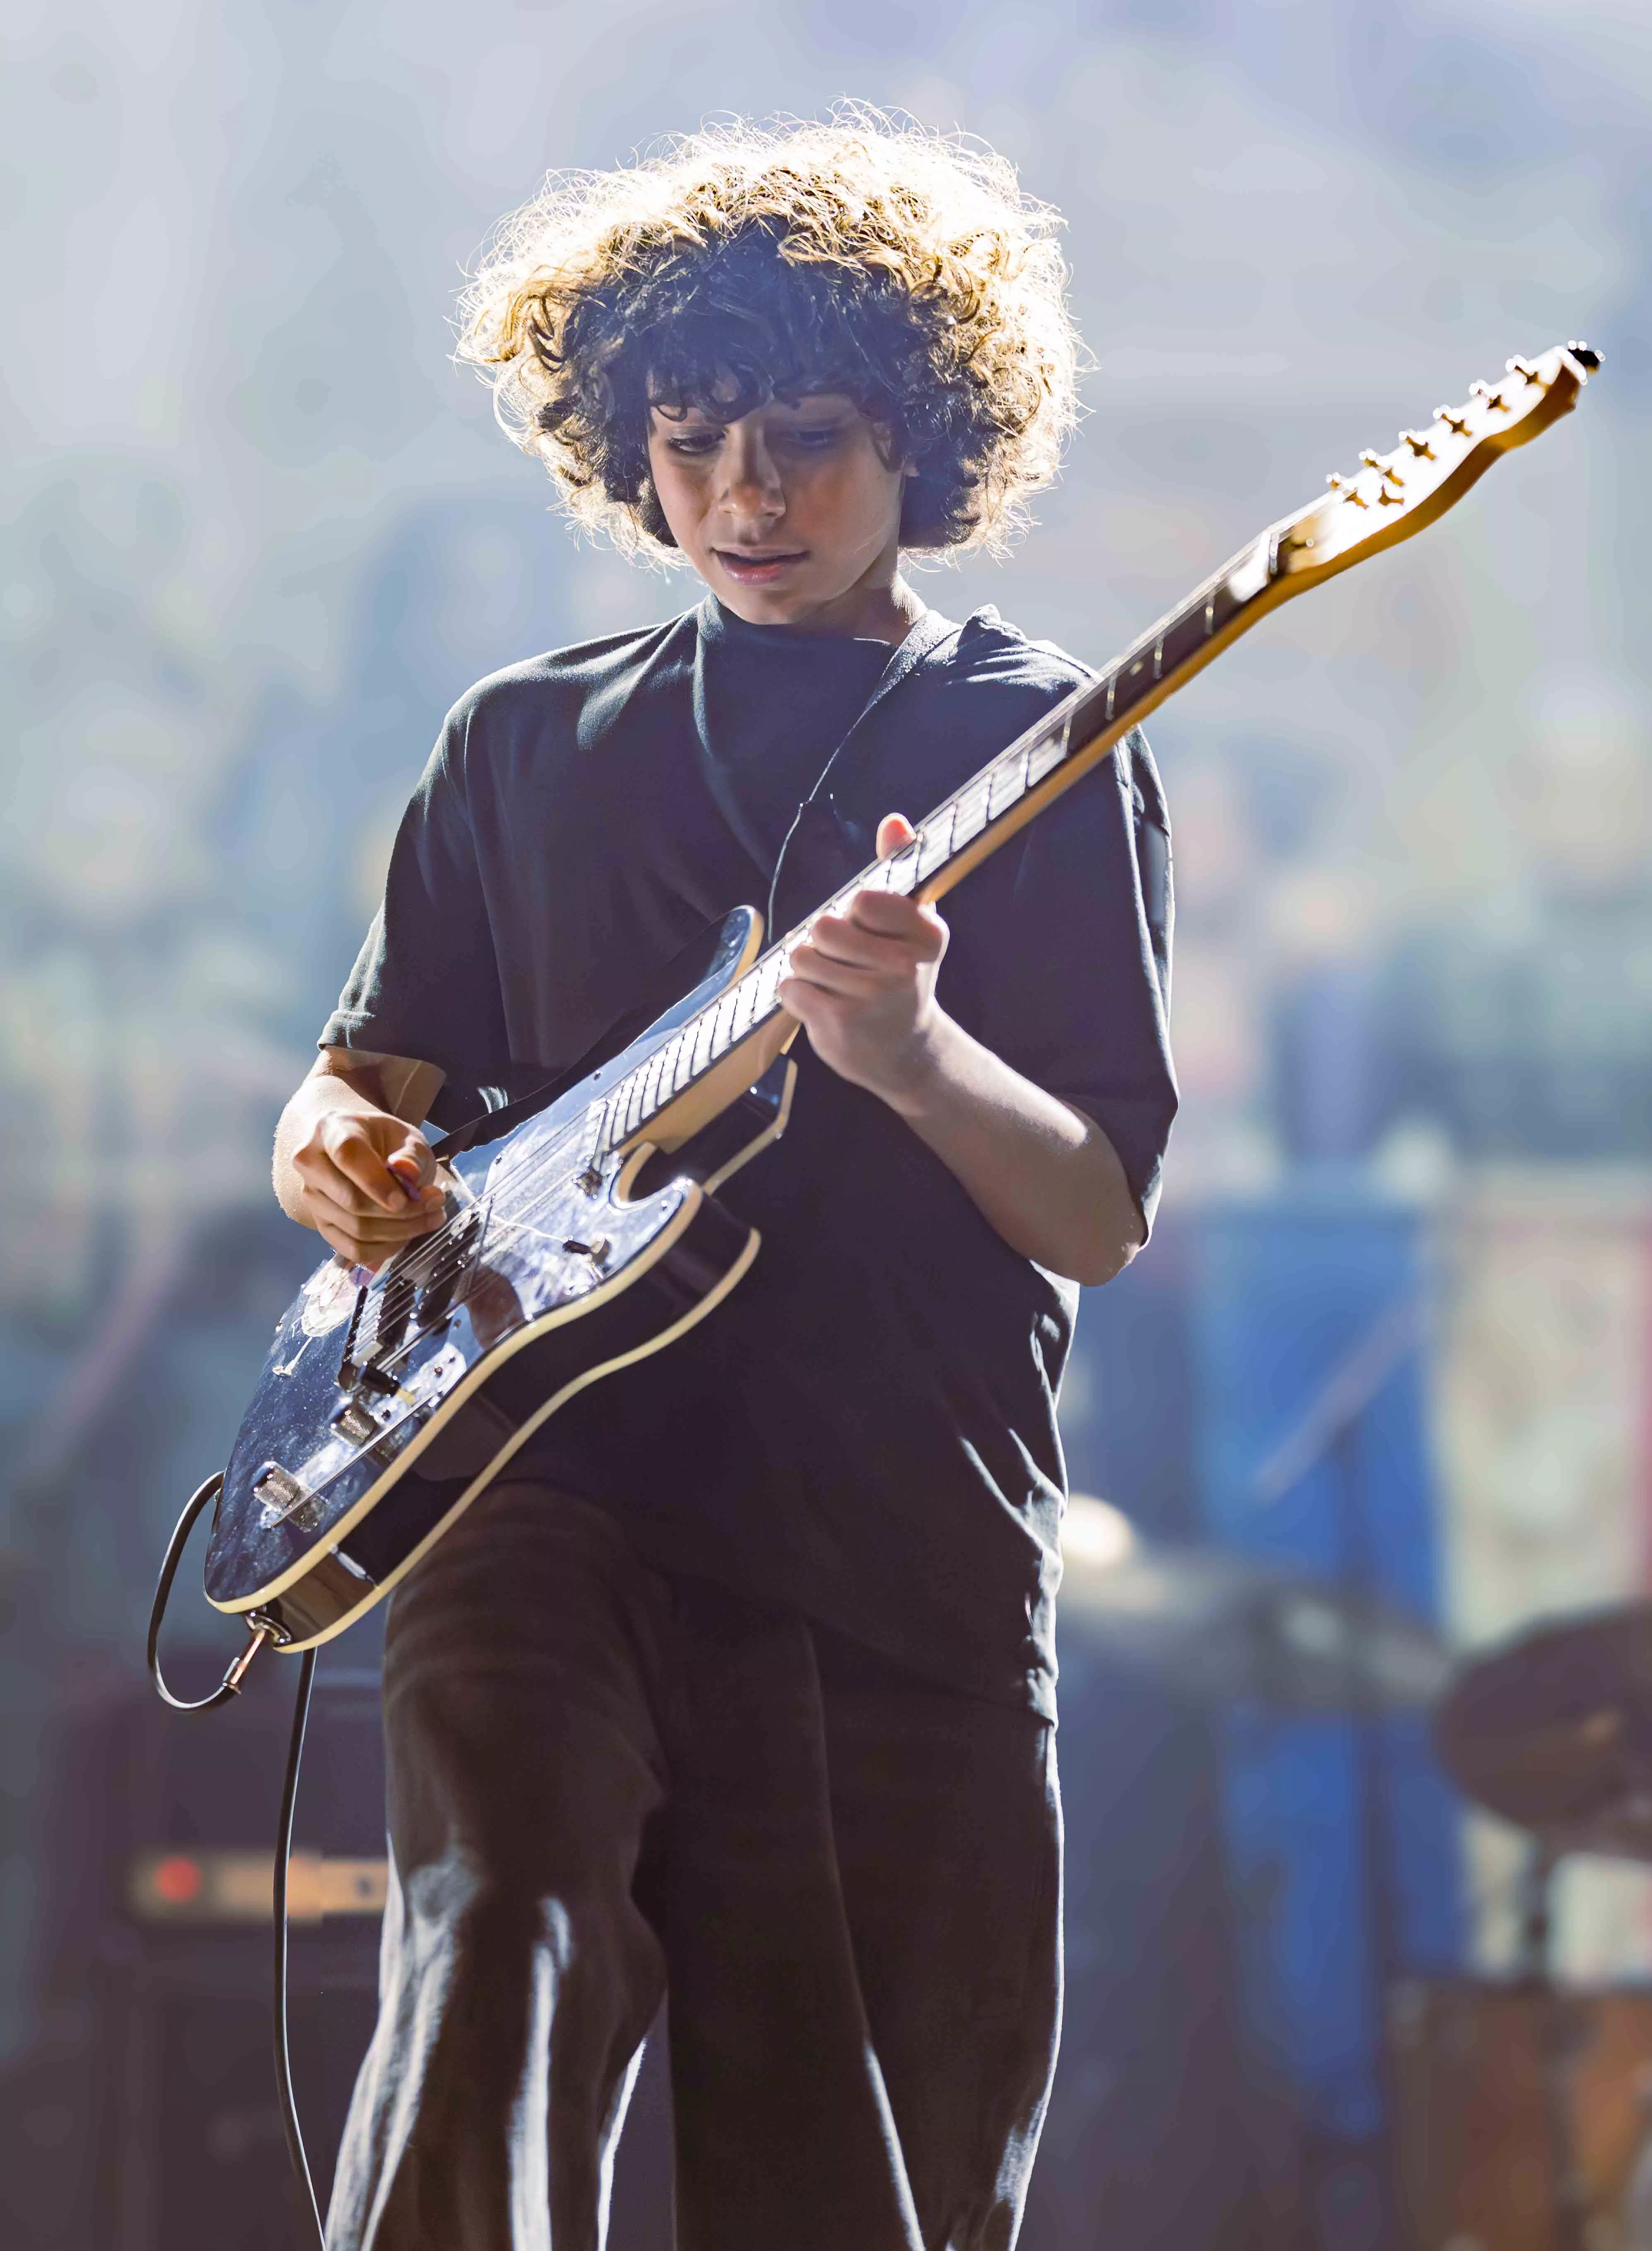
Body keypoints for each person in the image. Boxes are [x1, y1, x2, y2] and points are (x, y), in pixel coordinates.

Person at [270, 112, 1177, 2251]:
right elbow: (347, 1087)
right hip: (540, 1500)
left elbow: (1094, 1214)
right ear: (626, 448)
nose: (746, 500)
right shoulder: (519, 739)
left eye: (805, 442)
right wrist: (340, 1160)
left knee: (863, 2184)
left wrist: (916, 1053)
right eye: (690, 446)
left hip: (898, 1544)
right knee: (495, 1958)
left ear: (924, 443)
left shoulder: (1045, 740)